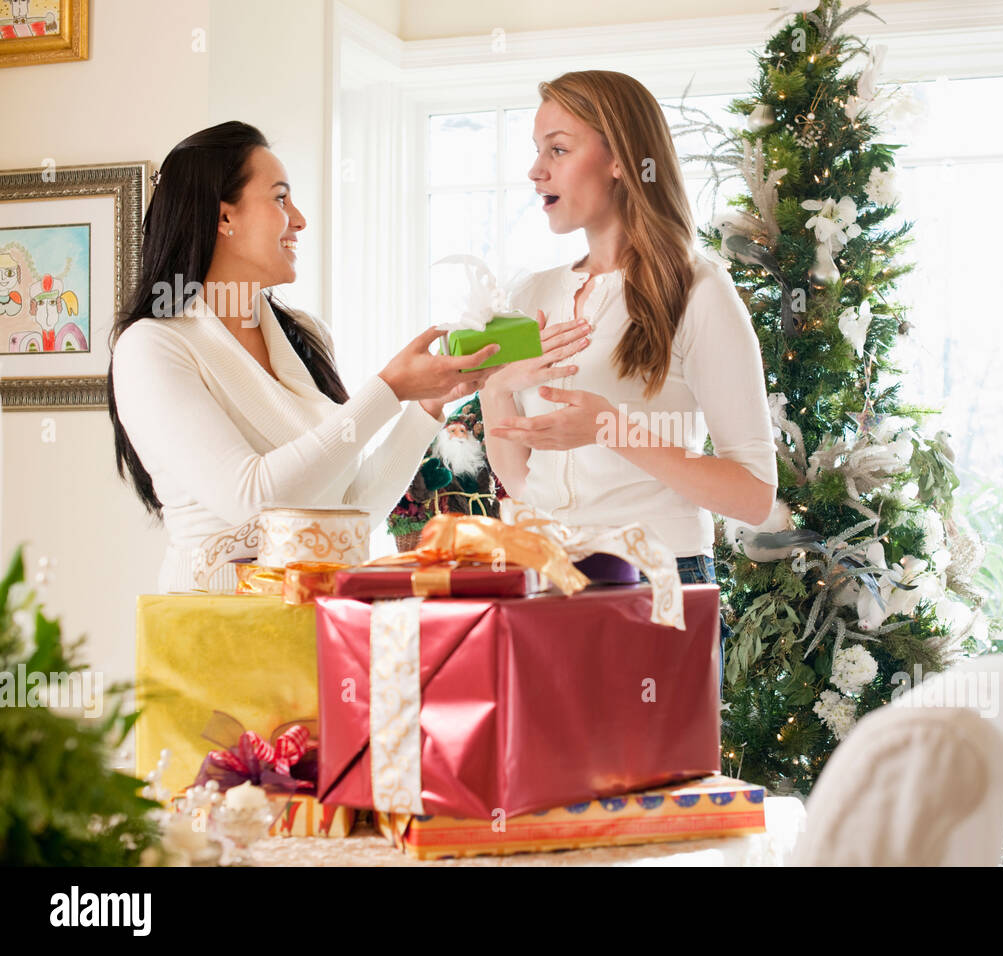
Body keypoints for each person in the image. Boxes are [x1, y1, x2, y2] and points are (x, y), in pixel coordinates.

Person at [108, 121, 589, 593]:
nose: (298, 219)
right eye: (279, 198)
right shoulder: (153, 347)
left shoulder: (305, 336)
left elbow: (354, 511)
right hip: (215, 630)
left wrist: (426, 406)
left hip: (323, 619)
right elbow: (251, 500)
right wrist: (389, 390)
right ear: (224, 217)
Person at [477, 71, 779, 683]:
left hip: (654, 583)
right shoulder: (533, 293)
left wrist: (612, 429)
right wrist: (496, 387)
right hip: (545, 580)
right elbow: (517, 477)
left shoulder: (698, 290)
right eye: (537, 151)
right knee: (547, 779)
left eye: (558, 149)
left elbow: (752, 495)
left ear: (619, 160)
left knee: (646, 781)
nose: (537, 171)